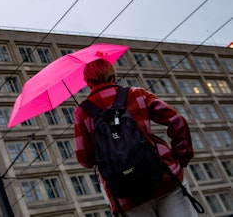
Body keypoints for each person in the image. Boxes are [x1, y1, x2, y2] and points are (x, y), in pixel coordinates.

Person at [74, 58, 197, 216]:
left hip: (125, 194)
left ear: (88, 82)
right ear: (113, 75)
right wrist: (180, 158)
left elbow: (86, 160)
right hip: (165, 177)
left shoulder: (82, 112)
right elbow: (177, 121)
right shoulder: (135, 94)